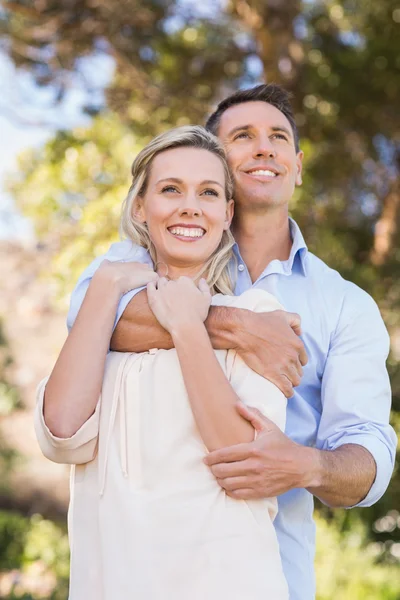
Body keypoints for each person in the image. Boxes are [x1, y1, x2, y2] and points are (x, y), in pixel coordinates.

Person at [66, 84, 397, 600]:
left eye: (279, 137)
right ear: (216, 164)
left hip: (266, 572)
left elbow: (368, 448)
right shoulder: (141, 256)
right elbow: (86, 319)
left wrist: (306, 464)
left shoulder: (345, 304)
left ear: (298, 165)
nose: (264, 147)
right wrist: (234, 326)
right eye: (243, 136)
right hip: (135, 567)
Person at [35, 126, 291, 599]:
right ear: (139, 207)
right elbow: (62, 434)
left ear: (227, 213)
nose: (190, 206)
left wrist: (189, 326)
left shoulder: (258, 318)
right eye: (170, 189)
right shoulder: (106, 318)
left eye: (209, 193)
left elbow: (242, 462)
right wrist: (108, 285)